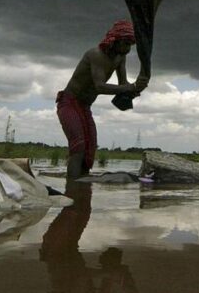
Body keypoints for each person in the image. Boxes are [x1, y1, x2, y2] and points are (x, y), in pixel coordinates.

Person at [57, 20, 148, 179]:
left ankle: (83, 190)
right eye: (125, 44)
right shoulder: (96, 55)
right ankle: (72, 187)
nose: (127, 49)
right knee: (78, 146)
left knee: (89, 150)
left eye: (130, 46)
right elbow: (100, 86)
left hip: (85, 107)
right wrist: (130, 88)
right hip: (69, 103)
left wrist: (136, 88)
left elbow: (123, 85)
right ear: (114, 41)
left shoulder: (120, 57)